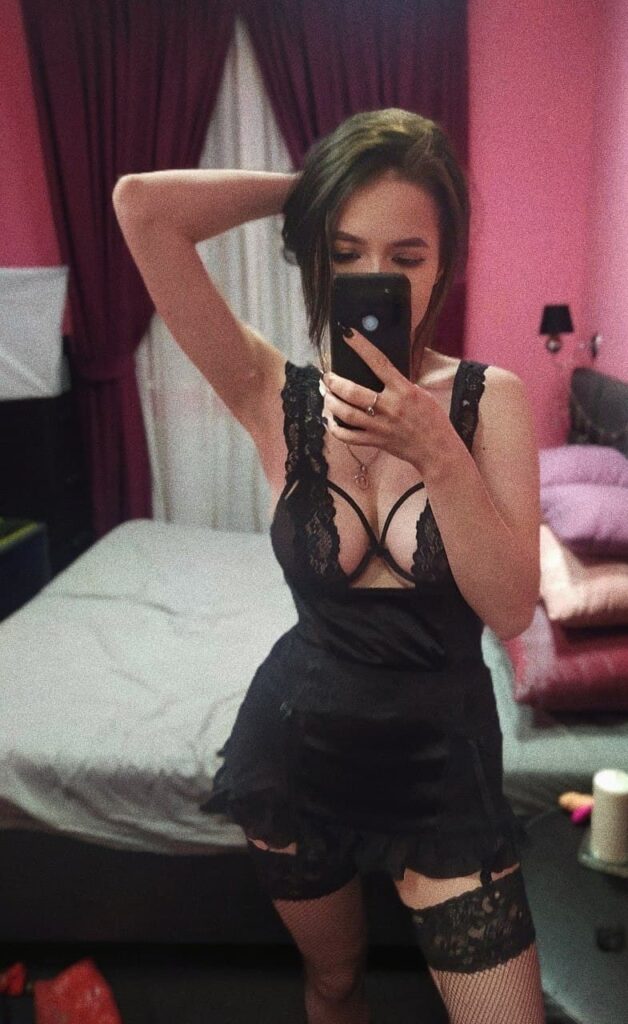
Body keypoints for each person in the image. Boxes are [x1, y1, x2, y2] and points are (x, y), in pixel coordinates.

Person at [113, 108, 546, 1024]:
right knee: (334, 982)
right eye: (345, 252)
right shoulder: (269, 391)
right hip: (297, 751)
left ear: (445, 263)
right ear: (316, 255)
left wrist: (439, 453)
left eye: (406, 257)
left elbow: (512, 607)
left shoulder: (491, 402)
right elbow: (142, 207)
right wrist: (313, 190)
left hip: (443, 767)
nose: (373, 277)